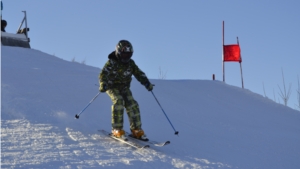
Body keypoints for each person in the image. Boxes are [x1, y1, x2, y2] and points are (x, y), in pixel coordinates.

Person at [99, 40, 154, 140]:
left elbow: (138, 73)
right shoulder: (112, 62)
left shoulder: (131, 64)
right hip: (112, 87)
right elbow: (103, 74)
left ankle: (136, 130)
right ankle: (116, 129)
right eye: (124, 55)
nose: (126, 57)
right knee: (119, 101)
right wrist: (103, 84)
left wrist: (146, 83)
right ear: (118, 52)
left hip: (124, 88)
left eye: (128, 55)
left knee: (132, 104)